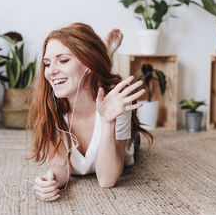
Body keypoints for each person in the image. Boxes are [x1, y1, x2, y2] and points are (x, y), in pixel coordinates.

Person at [27, 23, 153, 202]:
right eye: (47, 63)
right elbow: (60, 167)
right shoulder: (50, 105)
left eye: (63, 60)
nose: (51, 71)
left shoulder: (116, 104)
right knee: (88, 77)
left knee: (132, 138)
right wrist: (50, 180)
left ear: (88, 63)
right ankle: (104, 52)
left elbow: (107, 180)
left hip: (124, 142)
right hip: (91, 72)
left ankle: (102, 55)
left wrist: (108, 121)